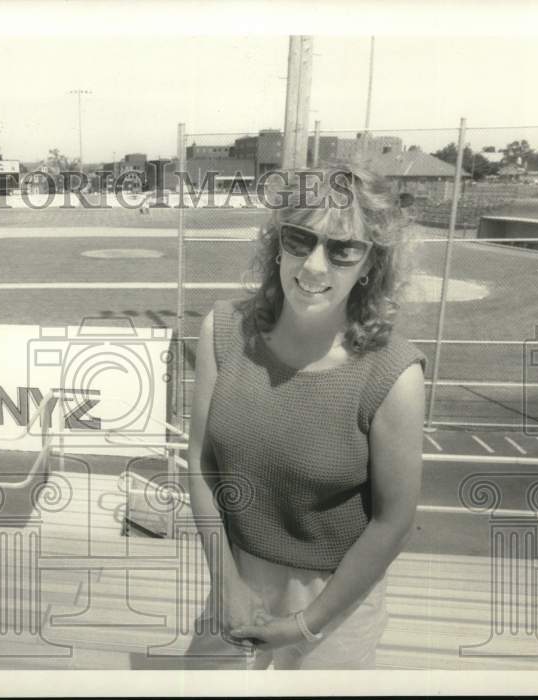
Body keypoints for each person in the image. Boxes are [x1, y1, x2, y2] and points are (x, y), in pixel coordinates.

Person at [184, 166, 426, 670]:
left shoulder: (393, 373)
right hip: (234, 575)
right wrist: (225, 582)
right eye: (300, 240)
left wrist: (306, 622)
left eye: (342, 250)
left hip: (334, 601)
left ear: (370, 265)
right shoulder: (222, 330)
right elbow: (202, 464)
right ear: (278, 243)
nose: (314, 268)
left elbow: (394, 521)